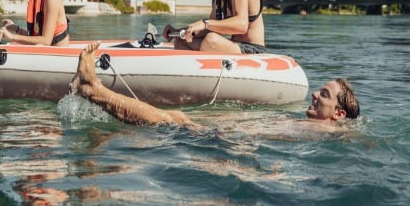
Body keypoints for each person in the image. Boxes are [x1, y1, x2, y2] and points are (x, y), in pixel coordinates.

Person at [72, 42, 361, 126]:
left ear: (338, 114)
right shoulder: (312, 127)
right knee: (172, 120)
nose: (314, 94)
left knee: (174, 119)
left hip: (226, 143)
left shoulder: (329, 135)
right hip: (230, 136)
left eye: (324, 94)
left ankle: (93, 90)